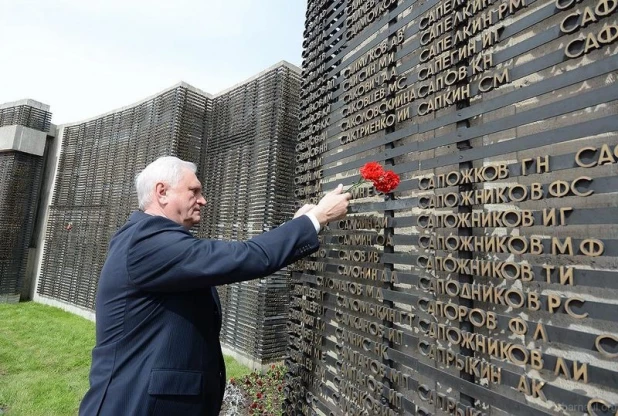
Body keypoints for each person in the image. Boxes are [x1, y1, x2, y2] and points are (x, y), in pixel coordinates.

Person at [79, 156, 350, 416]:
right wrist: (316, 219)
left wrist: (296, 226)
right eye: (194, 191)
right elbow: (243, 257)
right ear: (162, 192)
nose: (203, 200)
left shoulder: (148, 238)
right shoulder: (146, 241)